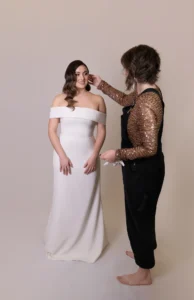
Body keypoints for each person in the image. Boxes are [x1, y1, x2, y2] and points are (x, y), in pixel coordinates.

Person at [89, 45, 165, 285]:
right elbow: (124, 99)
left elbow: (149, 148)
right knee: (140, 214)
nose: (123, 72)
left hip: (144, 171)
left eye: (125, 68)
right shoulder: (147, 92)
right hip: (142, 170)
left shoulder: (147, 103)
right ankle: (144, 253)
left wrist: (117, 154)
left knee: (139, 216)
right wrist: (101, 84)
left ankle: (144, 273)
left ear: (134, 70)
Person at [45, 60, 107, 263]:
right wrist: (62, 155)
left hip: (88, 157)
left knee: (86, 199)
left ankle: (87, 243)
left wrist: (94, 156)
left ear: (89, 76)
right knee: (65, 199)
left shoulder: (97, 99)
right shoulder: (59, 99)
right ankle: (62, 241)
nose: (81, 77)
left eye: (85, 73)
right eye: (77, 73)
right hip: (64, 157)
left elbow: (102, 131)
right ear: (71, 76)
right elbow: (52, 131)